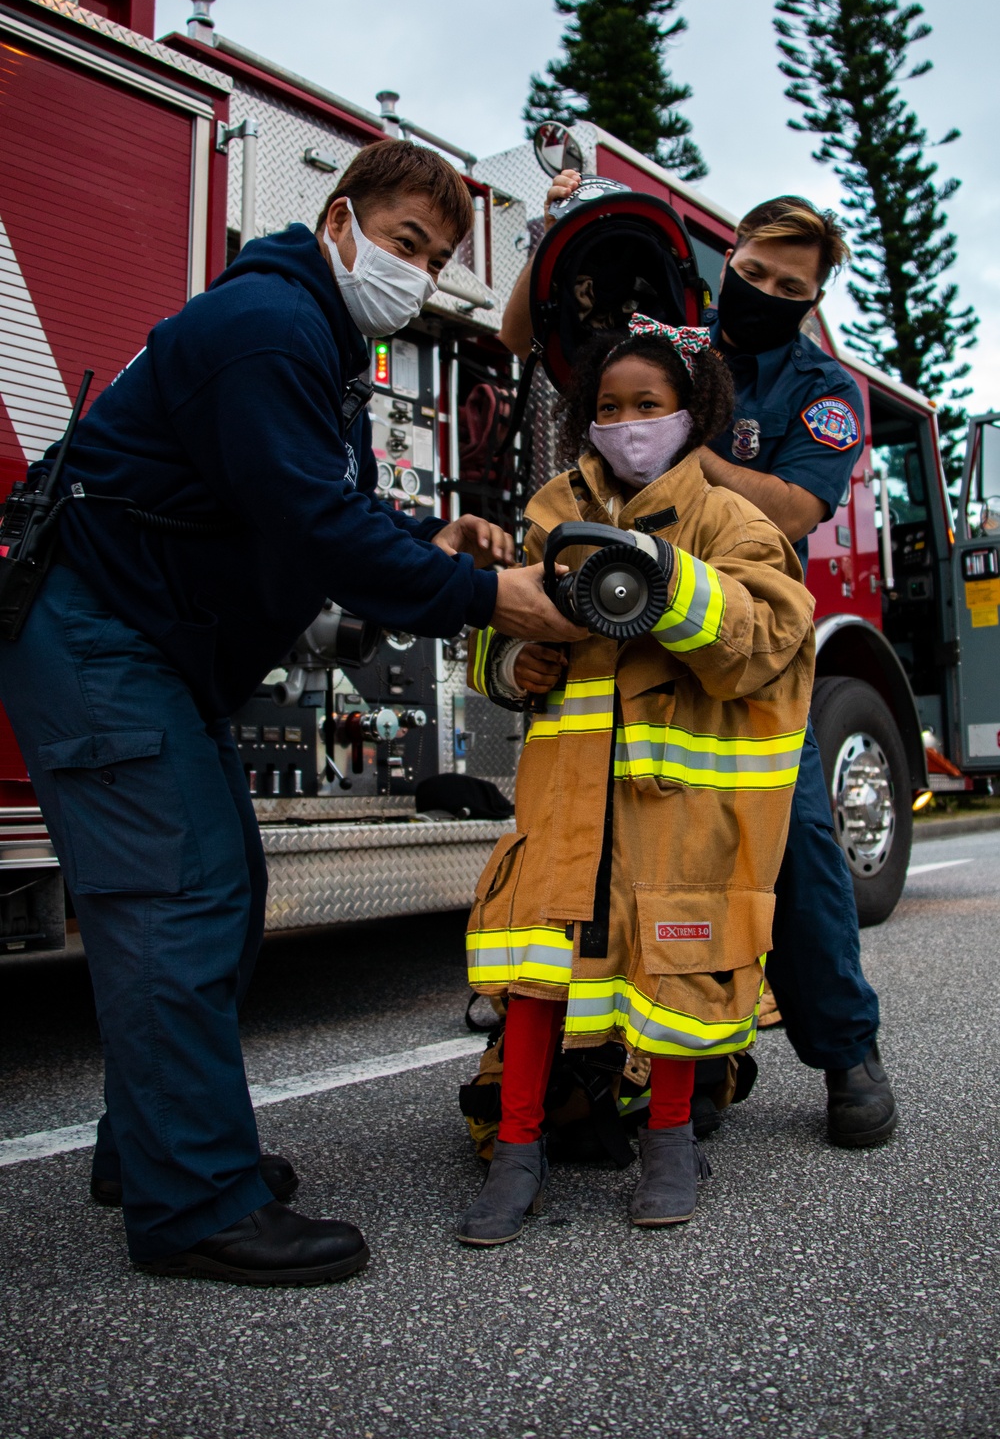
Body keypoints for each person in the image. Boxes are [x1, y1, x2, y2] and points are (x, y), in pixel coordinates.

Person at [0, 139, 584, 1287]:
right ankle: (193, 1207)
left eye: (436, 260)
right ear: (339, 219)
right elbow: (314, 532)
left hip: (143, 645)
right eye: (405, 243)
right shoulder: (270, 326)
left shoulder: (312, 335)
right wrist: (483, 592)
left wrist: (430, 540)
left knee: (219, 891)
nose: (416, 274)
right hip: (101, 638)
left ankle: (156, 1150)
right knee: (179, 896)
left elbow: (318, 509)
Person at [500, 176, 897, 1149]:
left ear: (810, 300)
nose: (757, 287)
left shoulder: (824, 392)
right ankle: (678, 1068)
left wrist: (685, 452)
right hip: (627, 642)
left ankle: (848, 1053)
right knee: (625, 858)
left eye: (782, 282)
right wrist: (554, 235)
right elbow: (528, 336)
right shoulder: (676, 344)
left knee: (794, 844)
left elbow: (795, 513)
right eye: (749, 268)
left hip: (745, 645)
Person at [458, 316, 816, 1244]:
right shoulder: (548, 510)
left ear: (689, 414)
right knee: (538, 974)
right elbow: (497, 629)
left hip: (678, 807)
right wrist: (512, 666)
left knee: (674, 974)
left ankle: (667, 1142)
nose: (625, 423)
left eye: (646, 405)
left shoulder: (731, 519)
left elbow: (770, 636)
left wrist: (663, 579)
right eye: (608, 407)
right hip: (566, 801)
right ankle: (518, 1149)